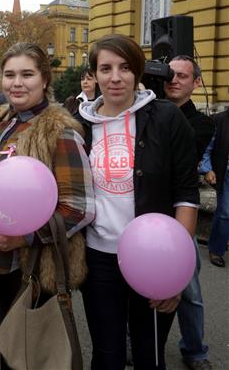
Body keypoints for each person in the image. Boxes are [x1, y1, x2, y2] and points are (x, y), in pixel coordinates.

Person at [0, 42, 95, 369]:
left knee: (26, 353)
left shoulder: (59, 130)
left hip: (30, 267)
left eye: (27, 74)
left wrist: (25, 237)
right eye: (9, 75)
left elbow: (80, 208)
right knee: (12, 346)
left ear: (45, 80)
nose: (16, 83)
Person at [77, 34, 199, 370]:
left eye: (125, 68)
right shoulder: (79, 124)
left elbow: (186, 195)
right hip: (99, 259)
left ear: (138, 72)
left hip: (155, 257)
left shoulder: (165, 118)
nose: (115, 77)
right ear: (95, 74)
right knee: (107, 355)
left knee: (149, 355)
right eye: (106, 68)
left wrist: (175, 269)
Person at [163, 55, 215, 370]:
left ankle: (195, 350)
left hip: (180, 213)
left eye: (183, 76)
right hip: (145, 208)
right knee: (131, 282)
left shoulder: (202, 123)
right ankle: (130, 338)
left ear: (195, 83)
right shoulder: (146, 110)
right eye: (169, 75)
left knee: (189, 289)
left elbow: (178, 155)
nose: (174, 80)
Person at [201, 109, 229, 268]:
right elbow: (207, 148)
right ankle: (216, 249)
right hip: (226, 173)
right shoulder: (218, 120)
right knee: (225, 213)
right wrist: (207, 169)